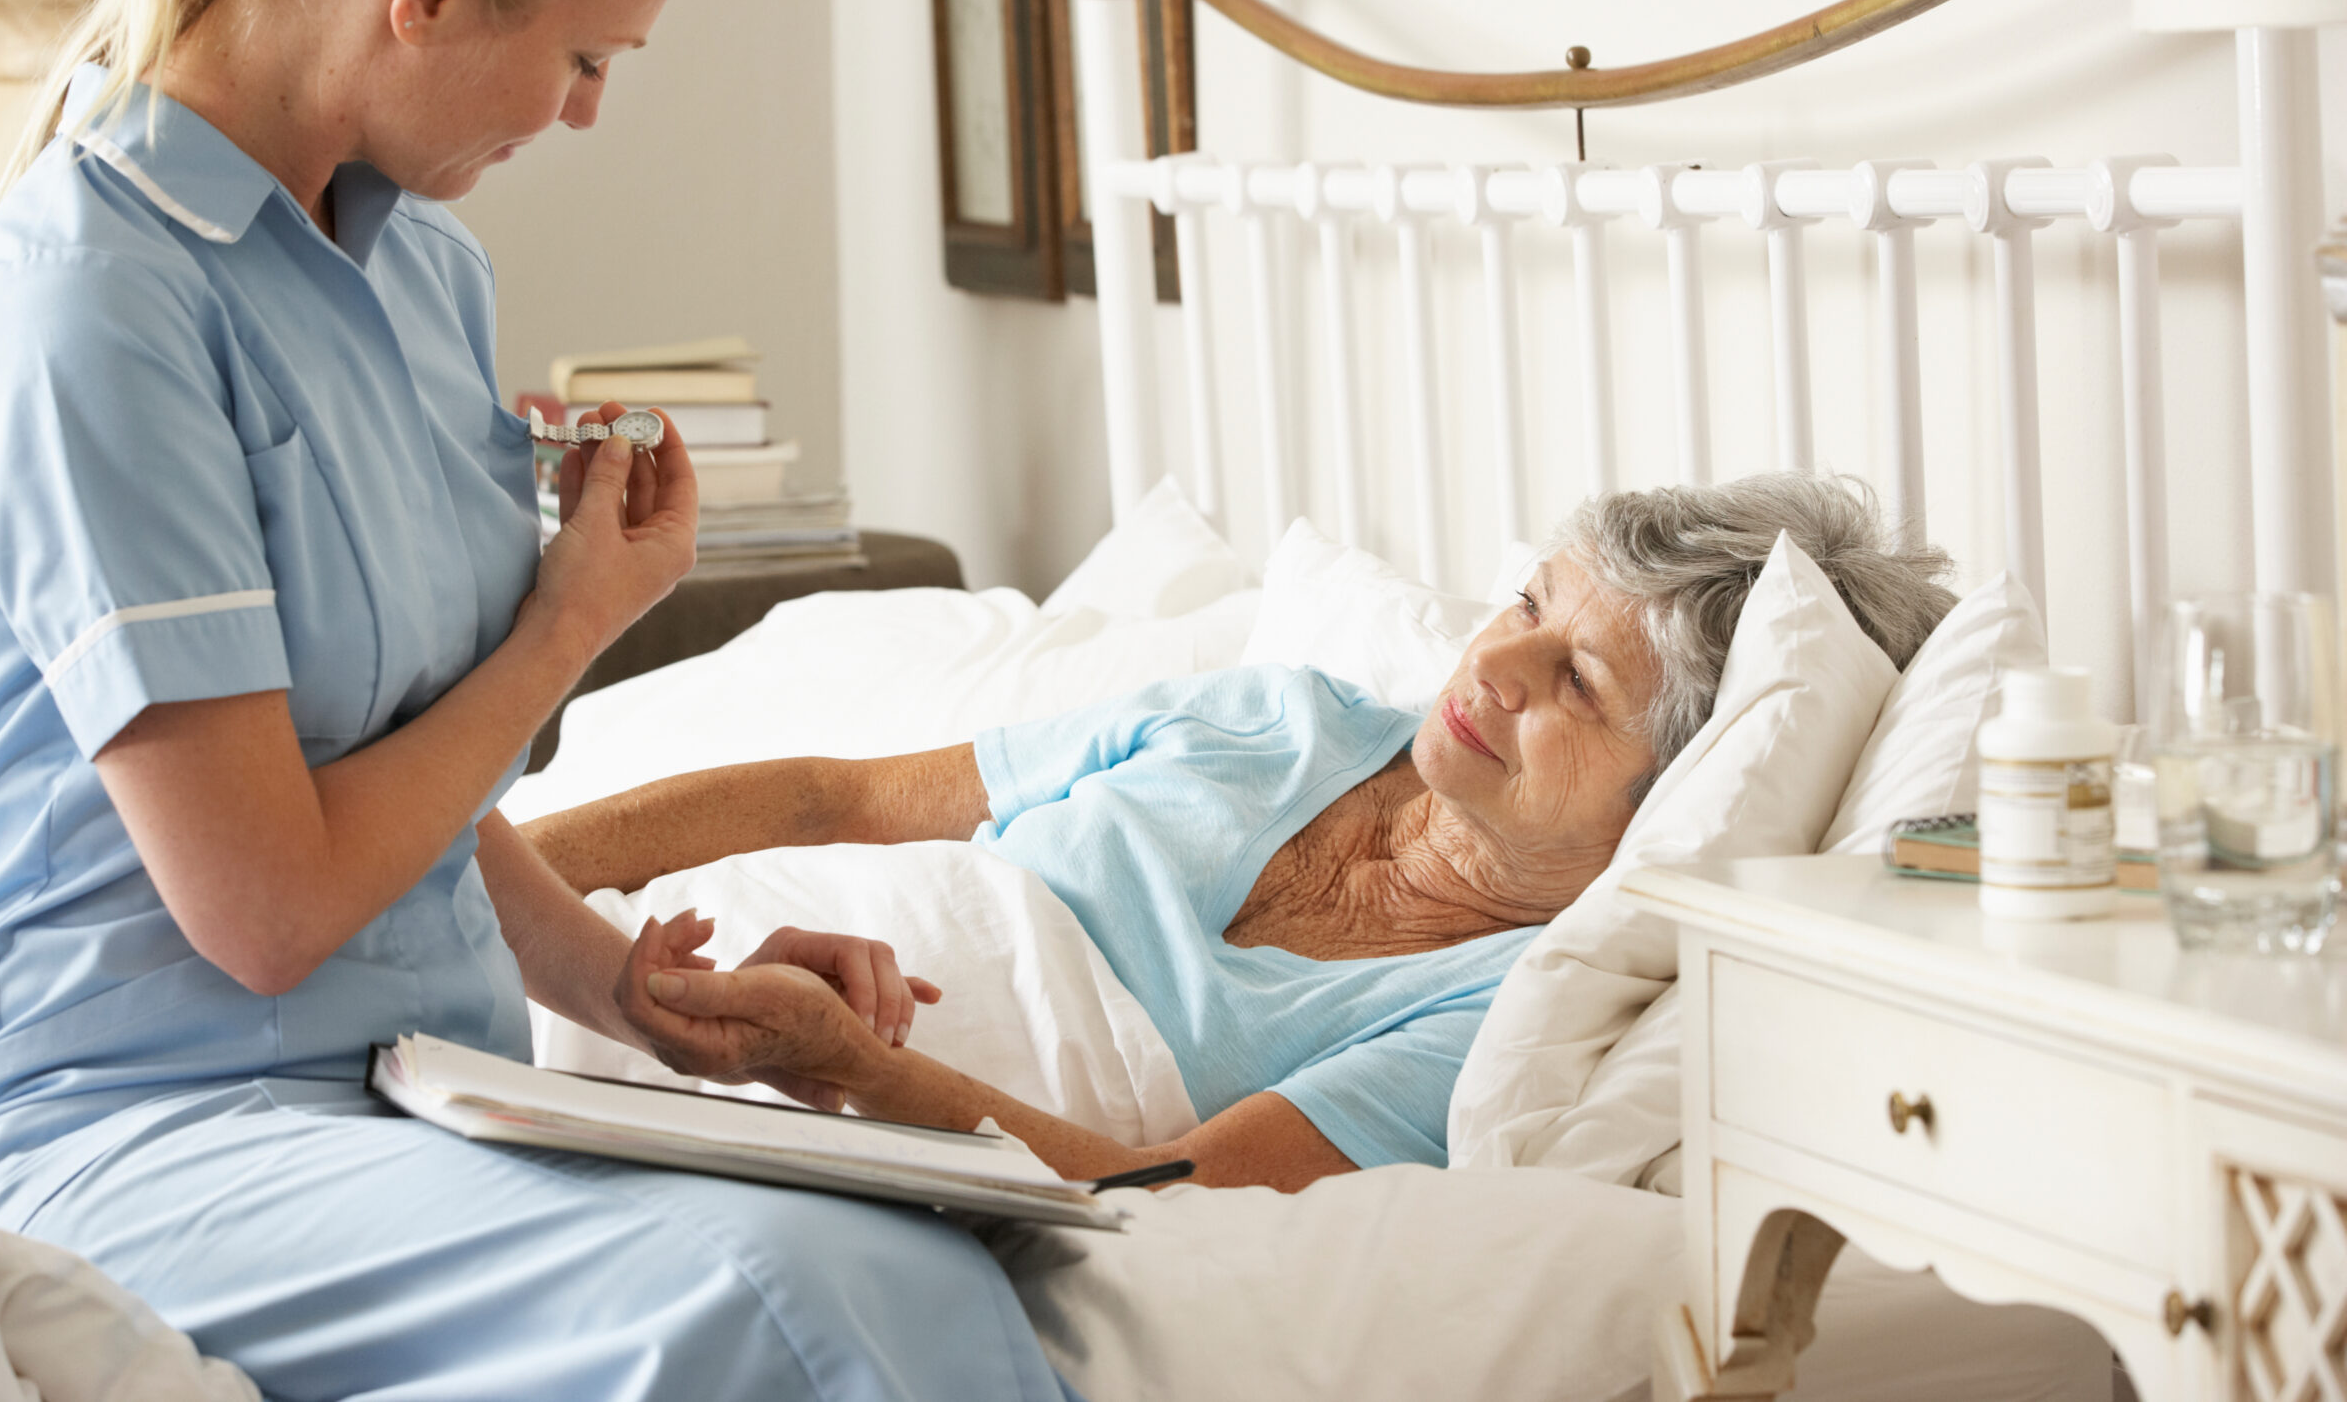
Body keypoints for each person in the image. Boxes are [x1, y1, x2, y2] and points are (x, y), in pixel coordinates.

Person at [0, 0, 1072, 1398]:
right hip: (120, 1129)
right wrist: (566, 627)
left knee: (917, 1253)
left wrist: (624, 988)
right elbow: (272, 907)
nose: (585, 112)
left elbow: (390, 768)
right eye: (590, 58)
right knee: (773, 1300)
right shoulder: (87, 310)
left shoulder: (420, 275)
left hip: (417, 1087)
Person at [526, 474, 1957, 1192]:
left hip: (813, 1074)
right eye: (1527, 607)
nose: (1496, 668)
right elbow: (827, 800)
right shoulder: (1275, 714)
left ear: (1673, 795)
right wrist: (506, 878)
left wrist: (850, 1067)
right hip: (622, 955)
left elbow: (1153, 1192)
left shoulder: (1496, 1012)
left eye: (1577, 683)